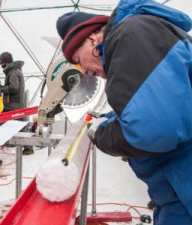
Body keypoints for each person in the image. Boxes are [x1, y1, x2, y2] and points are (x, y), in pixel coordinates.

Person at [56, 0, 192, 224]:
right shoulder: (135, 36)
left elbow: (154, 130)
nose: (84, 72)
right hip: (176, 189)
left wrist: (101, 134)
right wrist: (108, 120)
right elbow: (164, 105)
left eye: (79, 61)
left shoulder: (130, 34)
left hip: (184, 189)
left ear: (91, 40)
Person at [0, 52, 33, 155]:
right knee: (18, 125)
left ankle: (28, 147)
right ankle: (26, 147)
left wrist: (1, 89)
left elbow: (13, 88)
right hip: (16, 103)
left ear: (6, 62)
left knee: (19, 125)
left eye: (2, 63)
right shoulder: (15, 70)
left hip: (14, 104)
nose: (1, 65)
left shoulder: (13, 72)